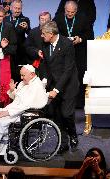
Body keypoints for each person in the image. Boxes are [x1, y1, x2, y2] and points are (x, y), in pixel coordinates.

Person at [0, 65, 48, 155]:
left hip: (26, 113)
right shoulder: (23, 83)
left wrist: (7, 113)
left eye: (23, 75)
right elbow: (17, 99)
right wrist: (12, 90)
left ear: (32, 74)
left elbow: (26, 105)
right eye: (21, 75)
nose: (21, 77)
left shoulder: (36, 86)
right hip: (15, 109)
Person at [39, 21, 79, 154]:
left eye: (44, 33)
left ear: (51, 34)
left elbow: (68, 70)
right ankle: (63, 142)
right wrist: (44, 83)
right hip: (53, 84)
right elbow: (45, 65)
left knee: (66, 114)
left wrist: (57, 90)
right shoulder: (45, 44)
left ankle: (73, 134)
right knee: (57, 117)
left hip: (68, 85)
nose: (41, 36)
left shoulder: (67, 44)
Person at [53, 0, 93, 108]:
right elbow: (54, 33)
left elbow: (90, 34)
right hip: (63, 54)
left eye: (72, 12)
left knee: (80, 76)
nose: (70, 14)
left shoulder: (83, 17)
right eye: (68, 11)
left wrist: (80, 39)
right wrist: (63, 40)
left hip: (79, 52)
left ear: (76, 10)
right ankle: (63, 101)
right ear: (64, 9)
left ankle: (80, 103)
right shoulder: (58, 18)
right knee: (64, 77)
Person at [4, 0, 31, 81]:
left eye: (19, 8)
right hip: (8, 51)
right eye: (15, 8)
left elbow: (30, 34)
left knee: (20, 76)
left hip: (20, 53)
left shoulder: (25, 19)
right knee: (8, 75)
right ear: (11, 8)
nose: (17, 10)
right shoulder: (5, 19)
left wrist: (27, 28)